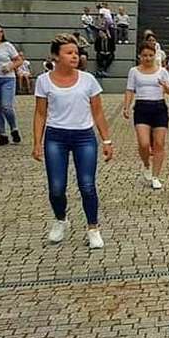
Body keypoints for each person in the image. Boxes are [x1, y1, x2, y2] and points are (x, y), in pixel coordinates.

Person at [32, 33, 113, 249]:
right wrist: (37, 142)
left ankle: (93, 228)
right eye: (69, 53)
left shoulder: (88, 80)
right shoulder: (43, 81)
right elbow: (40, 113)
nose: (74, 56)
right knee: (56, 187)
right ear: (56, 56)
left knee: (87, 185)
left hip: (84, 136)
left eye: (76, 52)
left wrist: (106, 140)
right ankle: (61, 219)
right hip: (55, 137)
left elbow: (98, 113)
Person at [123, 42, 169, 190]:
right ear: (140, 56)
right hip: (141, 108)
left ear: (155, 56)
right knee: (144, 143)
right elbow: (130, 90)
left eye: (150, 55)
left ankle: (155, 176)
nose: (148, 58)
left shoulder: (162, 71)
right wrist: (126, 106)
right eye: (145, 55)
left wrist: (166, 87)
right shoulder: (134, 71)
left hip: (159, 107)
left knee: (159, 143)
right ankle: (146, 164)